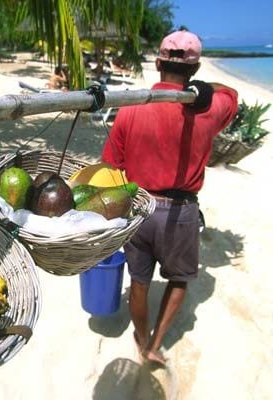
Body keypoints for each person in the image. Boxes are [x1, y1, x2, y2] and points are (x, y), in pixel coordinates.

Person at [100, 30, 238, 366]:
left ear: (158, 63)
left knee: (139, 282)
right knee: (178, 279)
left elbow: (110, 166)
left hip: (139, 207)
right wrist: (204, 91)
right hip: (180, 212)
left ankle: (141, 337)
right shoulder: (208, 109)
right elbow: (232, 95)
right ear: (194, 70)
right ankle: (155, 345)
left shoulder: (131, 109)